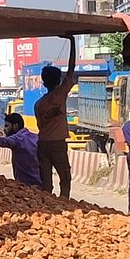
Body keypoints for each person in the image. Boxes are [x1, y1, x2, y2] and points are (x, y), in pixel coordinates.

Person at [33, 38, 78, 198]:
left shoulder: (38, 104)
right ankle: (64, 204)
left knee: (46, 182)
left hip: (43, 143)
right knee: (65, 177)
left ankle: (47, 205)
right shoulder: (60, 94)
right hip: (58, 143)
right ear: (59, 80)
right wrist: (72, 41)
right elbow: (71, 68)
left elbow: (40, 125)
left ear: (44, 82)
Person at [0, 113, 41, 188]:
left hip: (27, 185)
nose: (4, 129)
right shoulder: (35, 137)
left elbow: (0, 141)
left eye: (7, 126)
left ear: (15, 126)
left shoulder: (18, 139)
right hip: (41, 183)